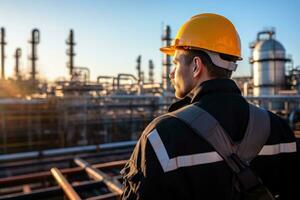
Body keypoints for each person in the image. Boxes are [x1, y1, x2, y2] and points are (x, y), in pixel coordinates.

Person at [121, 13, 299, 200]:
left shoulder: (161, 138)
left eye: (176, 63)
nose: (171, 73)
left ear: (196, 66)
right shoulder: (280, 129)